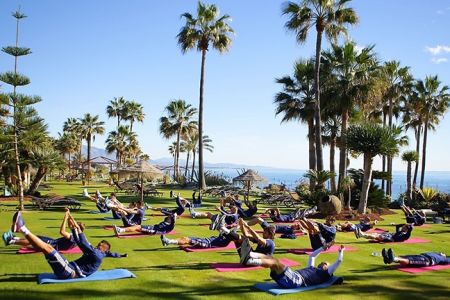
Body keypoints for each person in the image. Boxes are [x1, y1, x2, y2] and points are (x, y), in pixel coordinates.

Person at [8, 211, 126, 279]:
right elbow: (112, 254)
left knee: (48, 247)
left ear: (104, 249)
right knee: (46, 247)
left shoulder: (97, 255)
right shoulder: (101, 254)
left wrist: (76, 229)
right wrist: (122, 255)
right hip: (68, 267)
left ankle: (21, 229)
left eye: (100, 245)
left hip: (70, 272)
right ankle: (18, 232)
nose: (97, 245)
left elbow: (83, 243)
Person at [250, 245, 345, 289]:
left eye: (325, 264)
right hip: (292, 277)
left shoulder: (325, 274)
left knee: (275, 262)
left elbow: (339, 261)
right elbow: (312, 256)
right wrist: (323, 248)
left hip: (297, 280)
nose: (323, 263)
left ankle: (250, 259)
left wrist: (341, 252)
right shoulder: (312, 268)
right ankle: (250, 255)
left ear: (329, 269)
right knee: (272, 260)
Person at [2, 208, 85, 251]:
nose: (73, 225)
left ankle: (11, 240)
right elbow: (72, 224)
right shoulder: (76, 237)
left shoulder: (74, 238)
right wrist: (68, 215)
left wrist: (66, 218)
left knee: (34, 240)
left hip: (52, 245)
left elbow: (62, 232)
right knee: (36, 237)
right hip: (53, 242)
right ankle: (15, 237)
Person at [381, 248, 449, 266]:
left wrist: (445, 257)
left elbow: (448, 261)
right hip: (421, 255)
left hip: (427, 260)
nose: (442, 253)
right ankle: (388, 259)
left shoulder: (443, 259)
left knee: (410, 261)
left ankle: (393, 259)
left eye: (443, 253)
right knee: (405, 257)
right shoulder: (436, 253)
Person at [160, 232, 232, 249]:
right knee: (185, 237)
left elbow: (230, 234)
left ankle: (168, 241)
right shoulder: (225, 238)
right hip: (203, 240)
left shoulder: (225, 242)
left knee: (187, 240)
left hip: (205, 243)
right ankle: (168, 242)